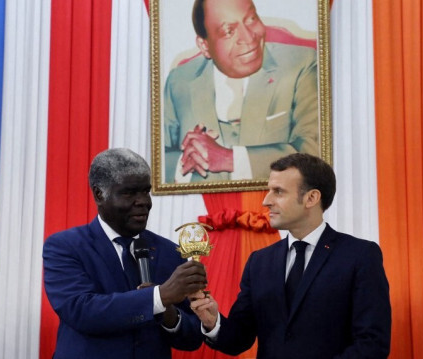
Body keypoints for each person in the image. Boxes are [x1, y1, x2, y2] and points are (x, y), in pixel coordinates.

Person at [190, 153, 392, 358]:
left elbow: (372, 344)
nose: (266, 201)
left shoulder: (360, 256)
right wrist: (213, 321)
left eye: (278, 192)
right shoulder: (259, 262)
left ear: (311, 198)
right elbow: (239, 339)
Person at [43, 148, 208, 359]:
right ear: (99, 194)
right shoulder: (64, 246)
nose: (143, 202)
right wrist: (159, 296)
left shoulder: (169, 252)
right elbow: (82, 311)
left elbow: (193, 337)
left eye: (146, 191)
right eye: (129, 192)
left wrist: (167, 313)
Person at [164, 0, 319, 183]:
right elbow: (156, 156)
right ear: (205, 46)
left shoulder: (303, 64)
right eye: (229, 31)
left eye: (251, 19)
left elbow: (315, 152)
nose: (248, 37)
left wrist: (231, 160)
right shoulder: (179, 80)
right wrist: (187, 160)